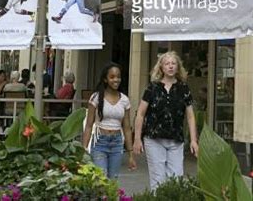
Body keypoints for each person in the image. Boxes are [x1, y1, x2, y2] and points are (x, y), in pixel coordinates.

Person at [133, 51, 198, 190]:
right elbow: (140, 113)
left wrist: (193, 140)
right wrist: (137, 139)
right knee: (158, 180)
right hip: (154, 138)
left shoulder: (183, 88)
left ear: (178, 67)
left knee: (176, 179)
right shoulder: (153, 88)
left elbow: (191, 116)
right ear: (161, 67)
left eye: (173, 63)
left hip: (176, 139)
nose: (170, 66)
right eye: (167, 63)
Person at [82, 63, 136, 179]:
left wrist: (131, 154)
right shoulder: (96, 97)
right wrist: (84, 149)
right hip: (100, 142)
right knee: (101, 179)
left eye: (118, 77)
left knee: (113, 180)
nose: (116, 80)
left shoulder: (125, 100)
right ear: (105, 80)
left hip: (117, 143)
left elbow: (127, 128)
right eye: (112, 77)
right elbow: (88, 125)